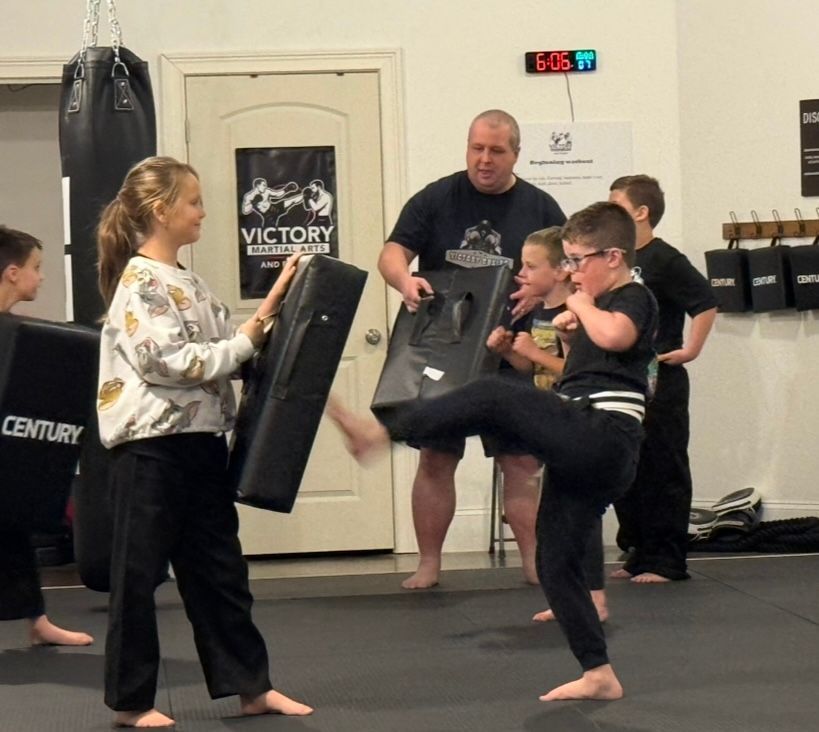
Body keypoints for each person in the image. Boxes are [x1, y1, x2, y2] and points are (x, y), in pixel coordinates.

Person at [329, 201, 658, 701]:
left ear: (613, 257)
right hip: (584, 441)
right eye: (564, 260)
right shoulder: (590, 305)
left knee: (492, 394)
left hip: (606, 435)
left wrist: (581, 307)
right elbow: (578, 371)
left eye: (576, 260)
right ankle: (599, 673)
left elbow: (618, 333)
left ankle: (378, 434)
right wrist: (561, 334)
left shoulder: (633, 296)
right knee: (555, 562)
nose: (570, 270)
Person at [95, 157, 312, 728]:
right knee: (138, 576)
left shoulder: (189, 282)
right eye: (193, 202)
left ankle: (251, 686)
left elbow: (227, 351)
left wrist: (276, 306)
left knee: (219, 571)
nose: (203, 212)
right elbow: (169, 362)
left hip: (198, 443)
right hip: (149, 447)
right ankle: (132, 701)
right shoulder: (139, 282)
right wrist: (245, 340)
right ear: (161, 210)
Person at [379, 109, 566, 588]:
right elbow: (392, 253)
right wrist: (404, 279)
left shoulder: (541, 208)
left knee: (521, 461)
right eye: (476, 148)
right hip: (447, 348)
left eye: (496, 151)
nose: (484, 160)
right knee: (437, 458)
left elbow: (566, 270)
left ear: (516, 155)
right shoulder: (436, 198)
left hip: (511, 349)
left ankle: (534, 564)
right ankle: (428, 565)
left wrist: (539, 291)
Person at [485, 226, 610, 625]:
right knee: (556, 517)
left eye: (530, 265)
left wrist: (536, 353)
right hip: (552, 419)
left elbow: (578, 371)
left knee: (579, 514)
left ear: (559, 271)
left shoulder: (576, 313)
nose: (521, 273)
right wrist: (512, 351)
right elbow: (531, 368)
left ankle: (596, 597)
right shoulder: (539, 310)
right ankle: (569, 597)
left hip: (578, 418)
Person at [608, 175, 717, 583]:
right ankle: (640, 552)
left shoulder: (664, 259)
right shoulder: (617, 259)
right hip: (627, 379)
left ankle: (668, 559)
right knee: (630, 468)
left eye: (616, 203)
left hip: (662, 379)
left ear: (641, 212)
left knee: (664, 468)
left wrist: (691, 349)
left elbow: (705, 301)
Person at [0, 225, 95, 648]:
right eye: (37, 268)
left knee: (14, 517)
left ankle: (37, 622)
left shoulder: (19, 335)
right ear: (13, 272)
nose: (41, 278)